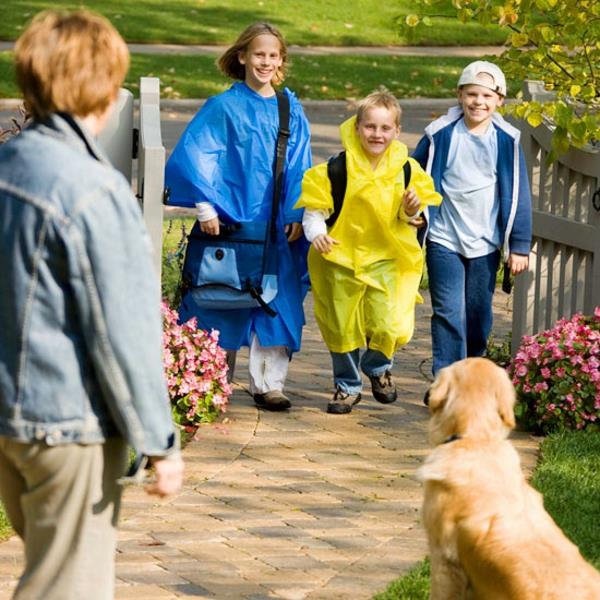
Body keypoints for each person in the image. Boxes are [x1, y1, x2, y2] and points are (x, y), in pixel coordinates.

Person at [0, 10, 184, 600]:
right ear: (104, 90)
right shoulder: (93, 191)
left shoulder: (7, 168)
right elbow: (121, 332)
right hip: (66, 427)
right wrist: (159, 440)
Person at [165, 23, 312, 412]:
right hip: (229, 222)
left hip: (275, 225)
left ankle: (269, 383)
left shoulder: (289, 108)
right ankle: (212, 380)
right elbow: (198, 154)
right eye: (259, 53)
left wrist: (297, 211)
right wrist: (205, 206)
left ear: (281, 61)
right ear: (243, 56)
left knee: (277, 302)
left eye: (273, 55)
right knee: (219, 298)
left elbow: (300, 165)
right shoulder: (222, 107)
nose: (266, 61)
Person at [296, 91, 442, 414]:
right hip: (341, 259)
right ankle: (347, 386)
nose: (377, 134)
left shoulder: (407, 170)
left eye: (385, 128)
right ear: (357, 127)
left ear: (397, 131)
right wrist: (317, 235)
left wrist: (410, 210)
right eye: (370, 127)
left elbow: (415, 218)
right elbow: (314, 211)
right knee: (343, 327)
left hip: (389, 259)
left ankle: (377, 366)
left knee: (392, 325)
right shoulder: (338, 169)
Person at [412, 61, 532, 376]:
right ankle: (446, 382)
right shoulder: (441, 134)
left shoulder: (506, 140)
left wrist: (519, 244)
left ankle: (470, 374)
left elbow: (519, 193)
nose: (479, 102)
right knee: (448, 312)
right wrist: (412, 210)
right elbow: (411, 174)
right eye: (472, 94)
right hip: (444, 237)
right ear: (460, 95)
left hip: (486, 242)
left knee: (478, 316)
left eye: (487, 96)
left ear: (499, 101)